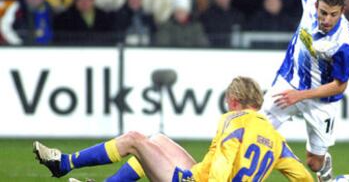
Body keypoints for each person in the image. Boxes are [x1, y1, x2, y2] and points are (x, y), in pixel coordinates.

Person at [33, 76, 313, 182]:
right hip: (200, 176)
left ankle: (64, 164)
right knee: (157, 141)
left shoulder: (232, 120)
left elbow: (223, 166)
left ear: (235, 101)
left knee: (134, 140)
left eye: (228, 102)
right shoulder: (277, 140)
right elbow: (302, 178)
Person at [260, 0, 349, 182]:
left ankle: (323, 169)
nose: (326, 19)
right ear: (318, 4)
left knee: (313, 162)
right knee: (257, 134)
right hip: (288, 83)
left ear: (343, 11)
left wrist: (301, 97)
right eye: (323, 12)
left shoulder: (345, 44)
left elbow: (340, 85)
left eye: (333, 14)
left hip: (320, 99)